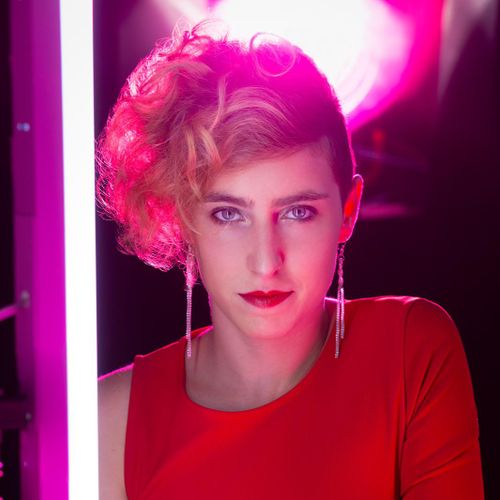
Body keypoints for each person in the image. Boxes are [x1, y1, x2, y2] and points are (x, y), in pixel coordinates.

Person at [96, 22, 483, 499]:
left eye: (298, 212)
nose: (266, 262)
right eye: (228, 214)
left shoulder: (411, 353)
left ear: (348, 211)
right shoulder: (112, 421)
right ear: (182, 218)